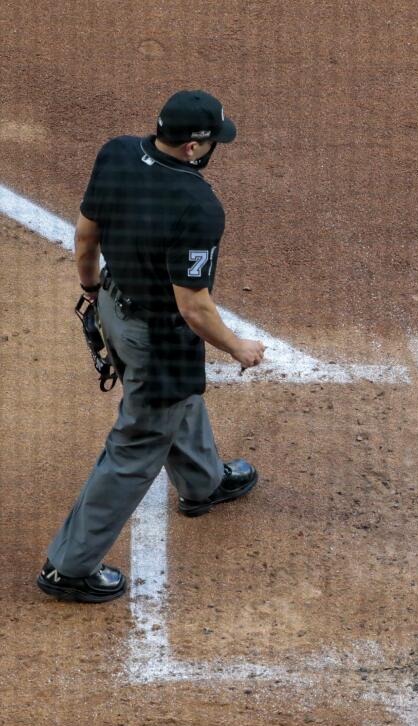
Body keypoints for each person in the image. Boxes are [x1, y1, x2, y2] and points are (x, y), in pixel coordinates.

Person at [37, 90, 266, 603]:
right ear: (191, 147)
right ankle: (68, 568)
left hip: (114, 305)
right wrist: (237, 348)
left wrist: (93, 293)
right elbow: (194, 308)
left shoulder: (117, 152)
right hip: (158, 335)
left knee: (174, 398)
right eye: (211, 142)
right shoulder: (198, 205)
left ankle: (203, 483)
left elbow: (85, 237)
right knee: (136, 445)